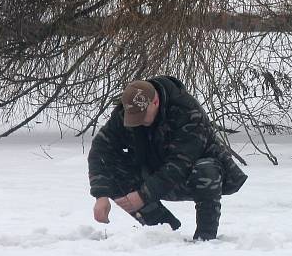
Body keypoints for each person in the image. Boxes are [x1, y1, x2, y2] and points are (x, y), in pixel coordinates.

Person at [87, 76, 247, 241]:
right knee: (114, 168)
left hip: (193, 177)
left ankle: (205, 238)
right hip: (155, 172)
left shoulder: (187, 111)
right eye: (133, 116)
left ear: (155, 102)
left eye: (142, 115)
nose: (138, 121)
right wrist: (101, 195)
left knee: (206, 169)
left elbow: (181, 163)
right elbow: (100, 151)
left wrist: (143, 195)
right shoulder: (127, 110)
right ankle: (162, 231)